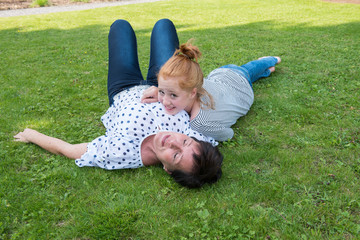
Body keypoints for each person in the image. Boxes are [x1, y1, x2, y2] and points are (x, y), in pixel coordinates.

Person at [14, 19, 223, 189]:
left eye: (176, 155)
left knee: (120, 26)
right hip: (162, 85)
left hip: (123, 87)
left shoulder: (120, 153)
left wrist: (30, 134)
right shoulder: (197, 138)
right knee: (164, 25)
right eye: (185, 142)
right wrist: (162, 93)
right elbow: (212, 129)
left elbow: (68, 150)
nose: (173, 142)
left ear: (168, 169)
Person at [141, 39, 281, 141]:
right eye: (162, 92)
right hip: (235, 88)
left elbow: (228, 134)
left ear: (193, 93)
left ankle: (270, 60)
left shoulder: (199, 123)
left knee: (249, 69)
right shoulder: (192, 88)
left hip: (232, 77)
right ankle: (267, 71)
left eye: (173, 95)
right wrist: (159, 92)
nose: (165, 101)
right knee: (249, 74)